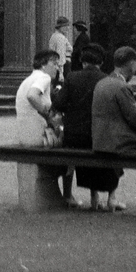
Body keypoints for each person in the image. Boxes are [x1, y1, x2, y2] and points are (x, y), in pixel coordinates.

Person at [53, 44, 114, 208]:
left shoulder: (72, 77)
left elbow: (59, 103)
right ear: (101, 62)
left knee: (71, 157)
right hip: (97, 136)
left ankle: (68, 194)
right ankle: (101, 197)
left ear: (82, 61)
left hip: (74, 136)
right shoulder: (106, 79)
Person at [91, 47, 136, 213]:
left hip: (99, 139)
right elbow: (135, 120)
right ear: (131, 64)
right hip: (116, 143)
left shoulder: (101, 83)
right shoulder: (122, 87)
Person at [14, 49, 62, 148]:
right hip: (39, 135)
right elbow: (32, 95)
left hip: (25, 135)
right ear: (43, 65)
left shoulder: (29, 79)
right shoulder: (44, 77)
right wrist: (48, 116)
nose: (57, 68)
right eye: (54, 64)